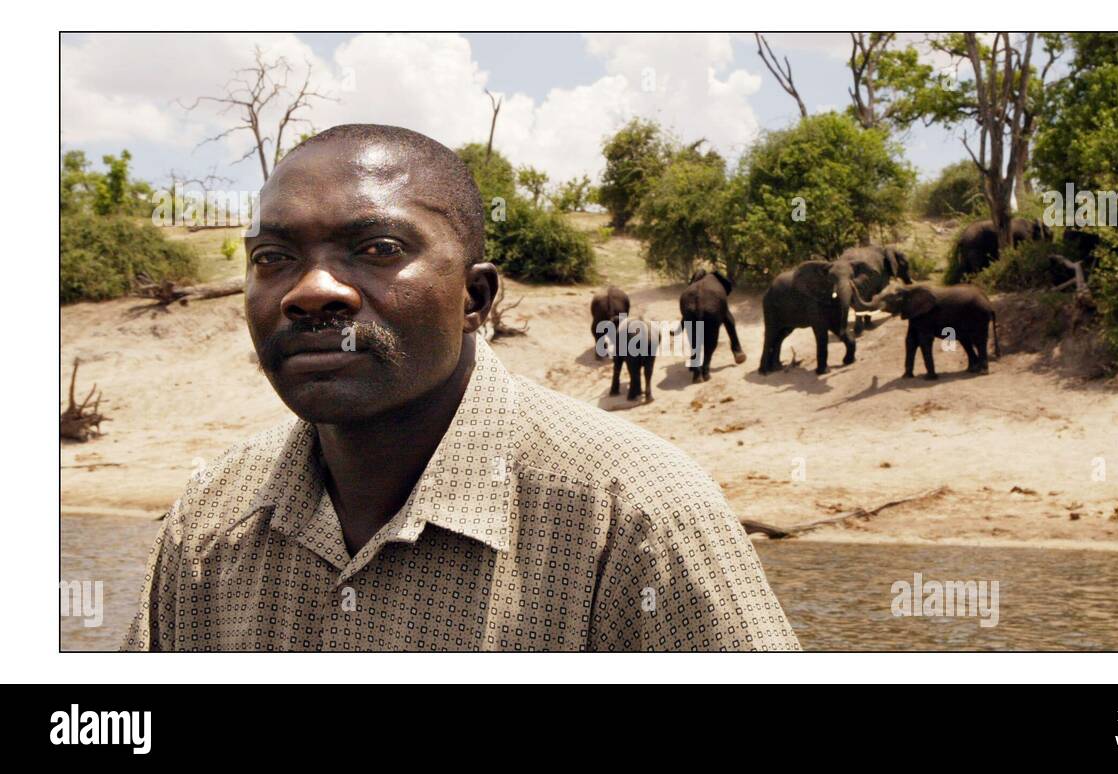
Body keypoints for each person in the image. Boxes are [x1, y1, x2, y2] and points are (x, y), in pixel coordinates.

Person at [123, 124, 799, 651]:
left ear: (475, 297)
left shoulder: (633, 518)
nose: (311, 291)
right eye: (273, 259)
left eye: (379, 249)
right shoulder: (209, 518)